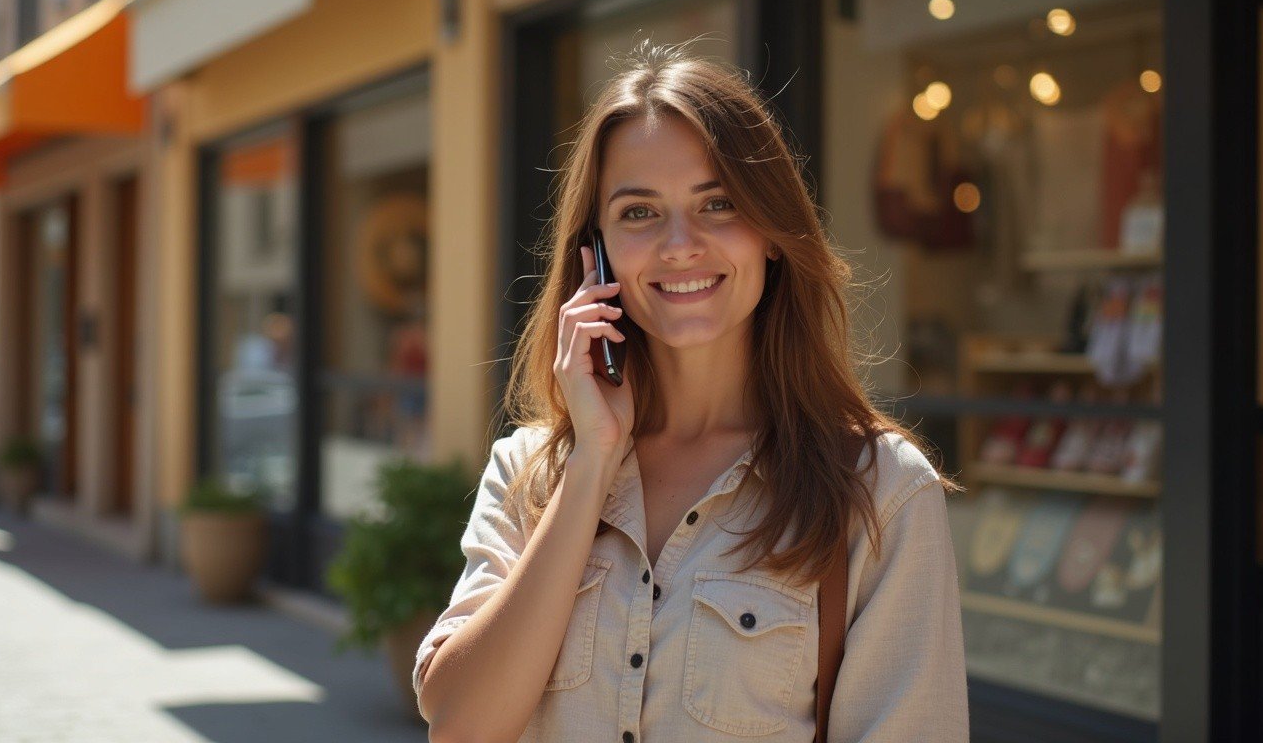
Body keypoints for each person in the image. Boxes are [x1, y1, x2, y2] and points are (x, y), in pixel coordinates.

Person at [414, 41, 969, 742]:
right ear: (597, 253)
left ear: (772, 233)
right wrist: (591, 463)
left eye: (719, 203)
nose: (681, 244)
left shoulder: (880, 493)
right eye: (639, 213)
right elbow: (459, 726)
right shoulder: (530, 473)